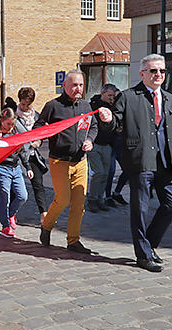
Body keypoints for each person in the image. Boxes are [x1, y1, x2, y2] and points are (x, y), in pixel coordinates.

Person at [109, 54, 172, 273]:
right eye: (153, 71)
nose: (158, 75)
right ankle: (142, 255)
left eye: (161, 71)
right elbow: (115, 122)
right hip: (141, 161)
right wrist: (107, 119)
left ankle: (148, 244)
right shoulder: (129, 97)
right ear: (142, 73)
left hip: (166, 163)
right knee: (140, 209)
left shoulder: (170, 99)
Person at [35, 70, 112, 254]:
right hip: (59, 161)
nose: (78, 89)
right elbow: (39, 125)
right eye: (74, 85)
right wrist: (38, 138)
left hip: (80, 162)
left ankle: (73, 240)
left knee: (78, 204)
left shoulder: (86, 106)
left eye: (80, 85)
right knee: (62, 199)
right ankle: (46, 226)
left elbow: (93, 126)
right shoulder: (53, 106)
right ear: (65, 86)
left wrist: (90, 140)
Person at [0, 108, 33, 237]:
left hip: (16, 168)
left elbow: (22, 152)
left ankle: (11, 214)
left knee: (22, 196)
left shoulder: (15, 133)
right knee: (5, 196)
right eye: (8, 124)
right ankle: (5, 226)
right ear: (2, 121)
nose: (11, 126)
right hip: (3, 169)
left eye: (12, 124)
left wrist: (28, 167)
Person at [16, 87, 49, 224]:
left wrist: (38, 141)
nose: (24, 107)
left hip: (32, 154)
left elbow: (41, 134)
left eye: (27, 104)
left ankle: (44, 214)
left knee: (38, 185)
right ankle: (12, 213)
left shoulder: (37, 116)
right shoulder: (13, 116)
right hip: (17, 156)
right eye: (22, 104)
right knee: (16, 186)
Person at [87, 84, 120, 212]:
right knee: (98, 172)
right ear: (103, 94)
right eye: (110, 95)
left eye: (113, 96)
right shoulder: (94, 106)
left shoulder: (113, 106)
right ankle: (92, 199)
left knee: (106, 174)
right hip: (95, 143)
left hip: (108, 144)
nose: (112, 98)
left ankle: (100, 199)